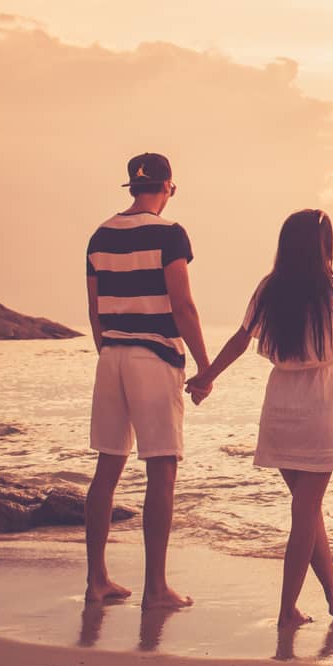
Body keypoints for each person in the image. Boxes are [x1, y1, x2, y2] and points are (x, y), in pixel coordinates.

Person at [188, 209, 333, 628]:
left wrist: (206, 377)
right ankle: (287, 608)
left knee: (308, 510)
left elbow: (239, 338)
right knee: (306, 511)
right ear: (325, 245)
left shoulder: (270, 288)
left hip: (280, 402)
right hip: (320, 401)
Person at [83, 152, 209, 609]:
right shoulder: (170, 234)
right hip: (153, 356)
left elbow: (95, 310)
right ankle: (156, 587)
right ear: (168, 186)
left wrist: (110, 351)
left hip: (111, 355)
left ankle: (97, 580)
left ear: (131, 187)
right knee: (162, 467)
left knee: (107, 468)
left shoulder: (100, 234)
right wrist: (205, 366)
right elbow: (183, 305)